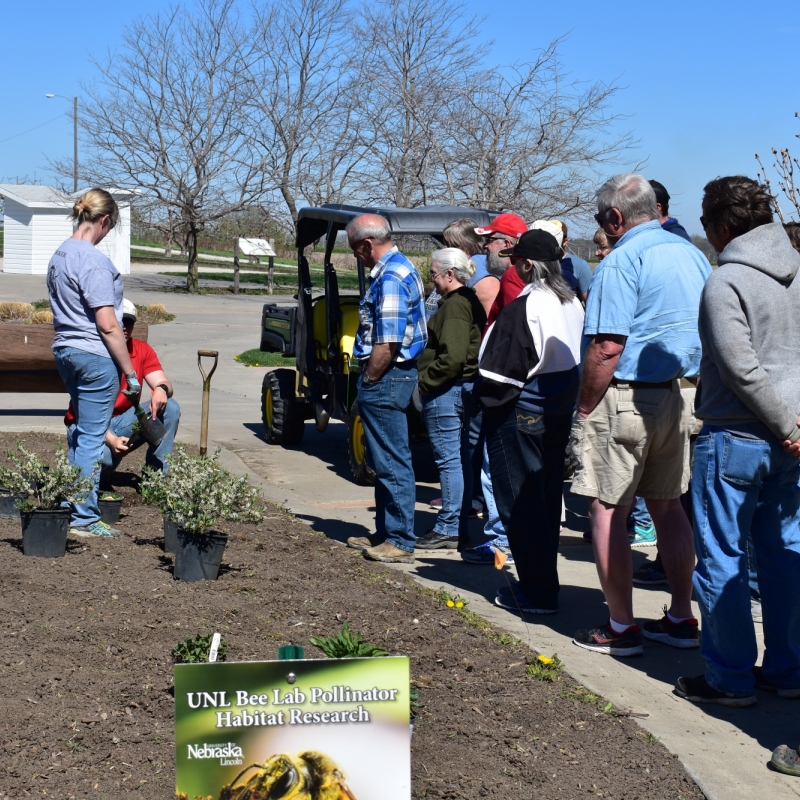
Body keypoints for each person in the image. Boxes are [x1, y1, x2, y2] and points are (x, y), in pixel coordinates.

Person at [570, 173, 711, 657]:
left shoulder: (622, 260)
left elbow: (607, 345)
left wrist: (585, 406)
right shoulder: (692, 254)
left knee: (607, 509)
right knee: (669, 507)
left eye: (600, 219)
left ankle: (621, 625)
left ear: (614, 218)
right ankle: (680, 615)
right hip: (677, 393)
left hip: (625, 396)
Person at [674, 176, 800, 706]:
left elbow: (742, 370)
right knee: (784, 554)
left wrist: (787, 428)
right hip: (790, 440)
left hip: (739, 437)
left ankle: (730, 677)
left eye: (706, 225)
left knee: (722, 559)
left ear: (723, 225)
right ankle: (789, 670)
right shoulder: (797, 271)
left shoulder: (725, 282)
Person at [476, 230, 584, 613]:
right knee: (545, 500)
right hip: (557, 410)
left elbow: (499, 374)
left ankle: (537, 592)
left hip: (521, 410)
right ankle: (542, 584)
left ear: (526, 264)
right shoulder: (570, 301)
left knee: (521, 504)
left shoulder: (526, 305)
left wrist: (483, 403)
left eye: (516, 260)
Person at [47, 188, 141, 538]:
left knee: (81, 433)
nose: (106, 233)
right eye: (109, 226)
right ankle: (83, 518)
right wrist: (130, 373)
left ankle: (68, 505)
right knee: (90, 438)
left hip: (65, 351)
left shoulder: (60, 254)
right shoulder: (93, 260)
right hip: (94, 356)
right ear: (103, 220)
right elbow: (107, 323)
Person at [344, 214, 427, 563]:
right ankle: (386, 532)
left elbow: (387, 342)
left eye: (355, 250)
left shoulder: (391, 277)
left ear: (367, 244)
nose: (355, 258)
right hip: (396, 375)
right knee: (383, 457)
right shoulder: (401, 267)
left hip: (389, 375)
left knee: (392, 460)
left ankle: (399, 539)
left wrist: (370, 378)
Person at [460, 213, 528, 564]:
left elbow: (515, 337)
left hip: (506, 387)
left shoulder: (515, 278)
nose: (485, 246)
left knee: (496, 467)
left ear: (508, 245)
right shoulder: (518, 276)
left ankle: (502, 542)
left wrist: (495, 382)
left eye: (491, 240)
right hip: (517, 387)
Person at [64, 299, 180, 484]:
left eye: (129, 322)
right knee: (106, 459)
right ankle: (88, 478)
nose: (124, 327)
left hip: (122, 421)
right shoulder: (92, 352)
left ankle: (155, 481)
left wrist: (161, 389)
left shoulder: (141, 349)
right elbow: (83, 412)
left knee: (171, 407)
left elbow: (163, 382)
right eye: (119, 321)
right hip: (86, 424)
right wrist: (111, 440)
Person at [415, 249, 486, 550]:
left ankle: (448, 527)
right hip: (460, 387)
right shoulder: (465, 300)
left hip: (448, 389)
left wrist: (425, 382)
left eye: (433, 274)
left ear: (450, 274)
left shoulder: (456, 306)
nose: (431, 279)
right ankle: (456, 525)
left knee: (449, 460)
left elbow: (454, 357)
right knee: (459, 459)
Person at [553, 220, 593, 302]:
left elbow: (589, 301)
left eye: (554, 239)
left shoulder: (580, 265)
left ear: (565, 241)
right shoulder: (539, 263)